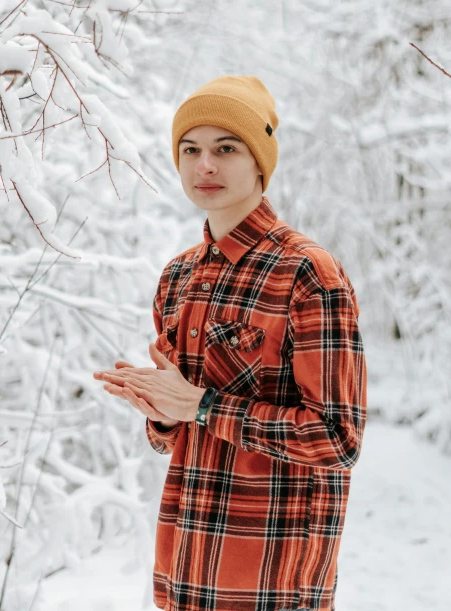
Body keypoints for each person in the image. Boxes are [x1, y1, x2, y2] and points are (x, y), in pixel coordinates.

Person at [93, 75, 367, 611]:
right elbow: (175, 437)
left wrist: (201, 406)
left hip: (272, 578)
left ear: (260, 162)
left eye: (226, 148)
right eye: (190, 149)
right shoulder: (178, 277)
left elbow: (338, 440)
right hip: (186, 571)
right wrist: (165, 414)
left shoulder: (308, 273)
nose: (205, 166)